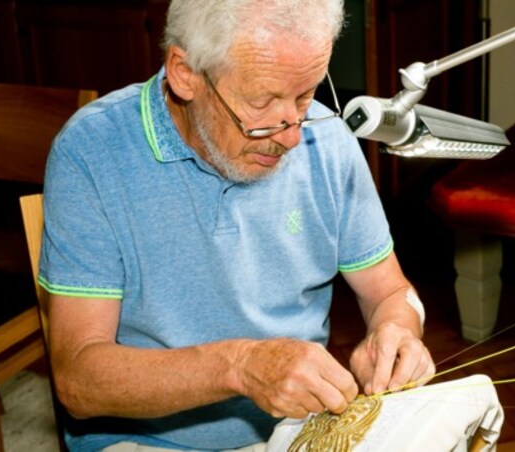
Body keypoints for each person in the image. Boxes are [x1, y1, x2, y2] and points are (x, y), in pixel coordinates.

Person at [38, 0, 435, 450]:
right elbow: (79, 382)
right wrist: (240, 366)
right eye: (262, 102)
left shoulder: (326, 139)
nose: (291, 135)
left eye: (304, 94)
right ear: (185, 73)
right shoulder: (92, 151)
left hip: (297, 430)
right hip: (144, 441)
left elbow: (390, 292)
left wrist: (397, 330)